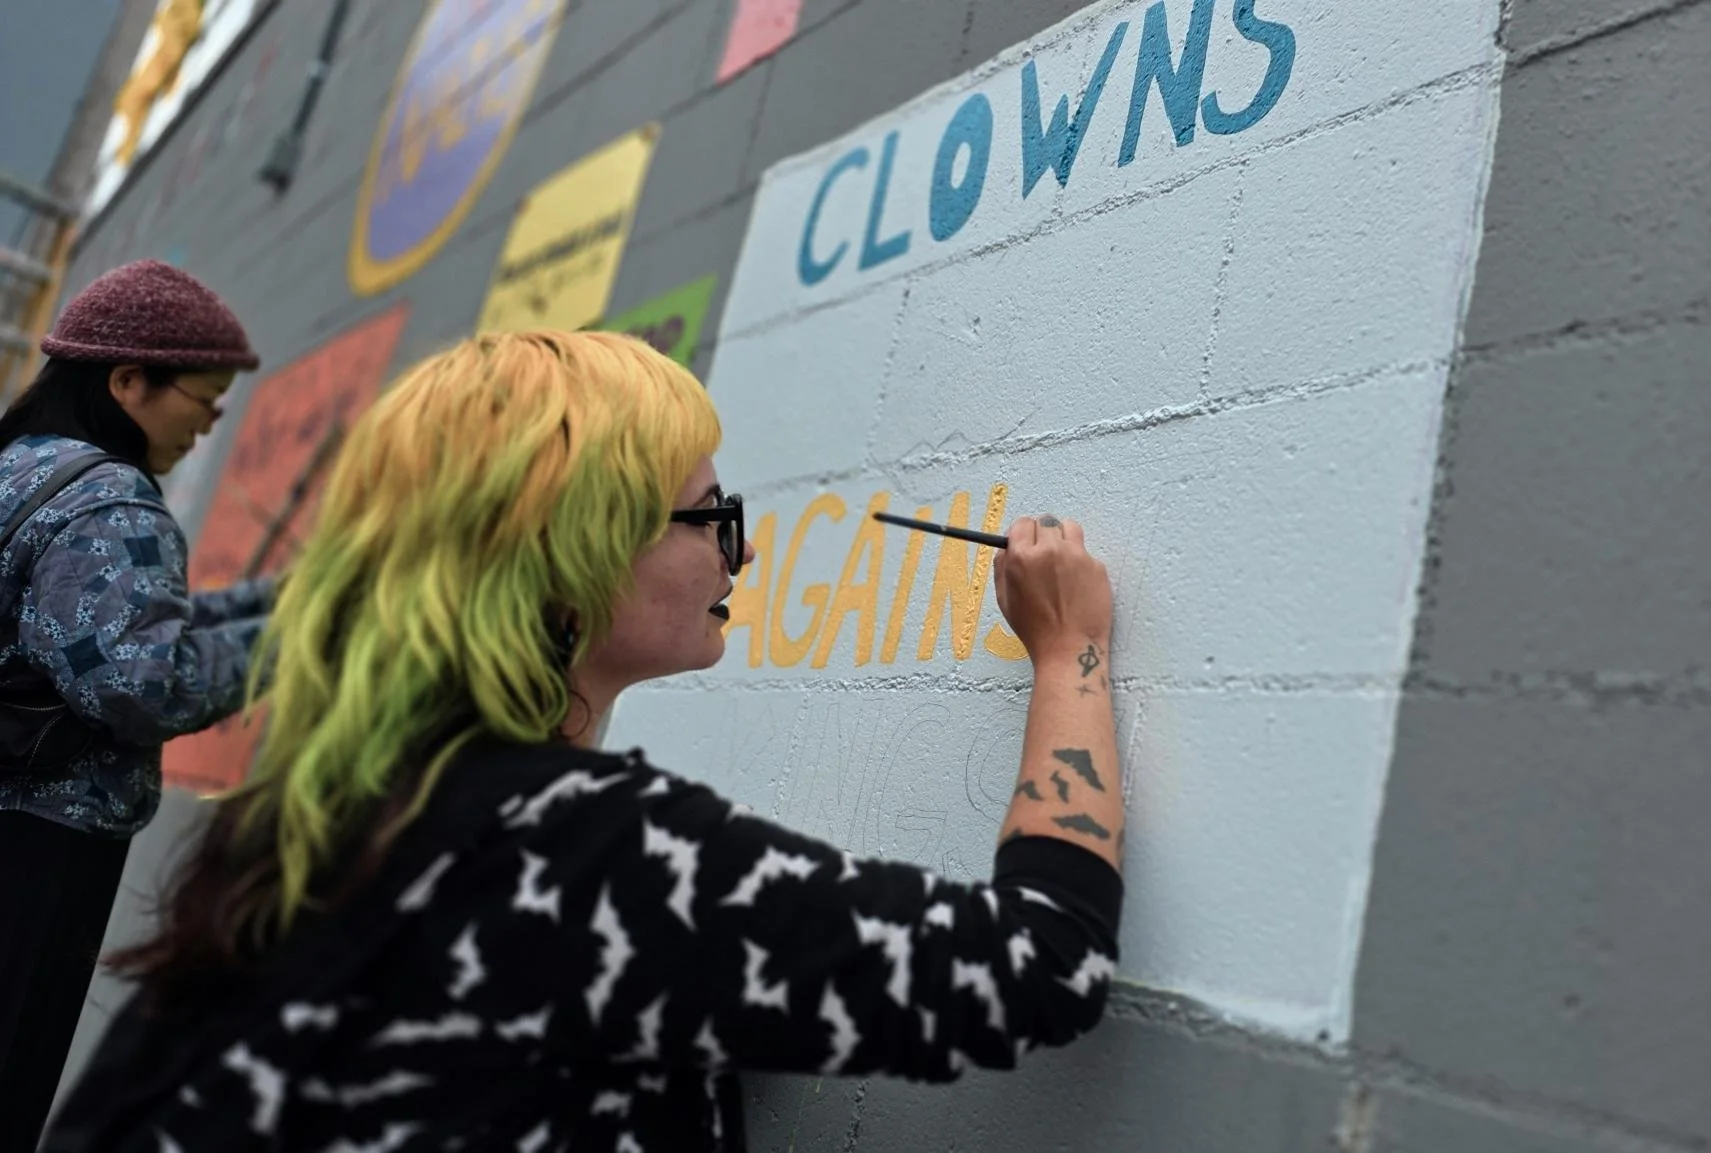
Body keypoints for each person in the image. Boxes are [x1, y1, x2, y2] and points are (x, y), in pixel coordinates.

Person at [46, 330, 1125, 1151]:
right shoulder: (578, 851)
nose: (736, 556)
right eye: (712, 518)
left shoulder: (332, 808)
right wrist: (1069, 645)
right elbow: (1038, 961)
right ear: (575, 559)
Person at [0, 259, 276, 1148]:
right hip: (37, 853)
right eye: (203, 397)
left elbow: (106, 631)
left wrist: (292, 601)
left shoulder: (23, 470)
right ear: (129, 382)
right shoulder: (110, 500)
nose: (207, 424)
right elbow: (139, 678)